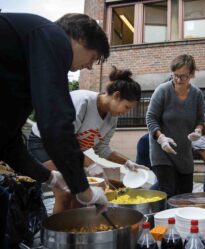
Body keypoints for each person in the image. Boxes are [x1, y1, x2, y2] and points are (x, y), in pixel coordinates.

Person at [0, 12, 110, 247]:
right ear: (78, 37)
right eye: (93, 57)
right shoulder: (51, 35)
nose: (89, 66)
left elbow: (9, 143)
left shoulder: (23, 70)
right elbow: (56, 125)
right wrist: (84, 190)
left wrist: (49, 176)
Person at [28, 67, 148, 213]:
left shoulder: (112, 118)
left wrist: (127, 162)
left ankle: (76, 231)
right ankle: (58, 234)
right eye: (127, 107)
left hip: (69, 153)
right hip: (45, 144)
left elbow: (102, 149)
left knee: (81, 195)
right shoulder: (83, 100)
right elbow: (64, 140)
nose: (126, 112)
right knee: (65, 193)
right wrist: (90, 165)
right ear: (116, 95)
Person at [146, 54, 205, 198]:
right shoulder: (163, 91)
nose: (178, 80)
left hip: (184, 151)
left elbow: (200, 119)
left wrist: (198, 130)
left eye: (183, 76)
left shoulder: (197, 94)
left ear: (191, 74)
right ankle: (158, 218)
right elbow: (150, 117)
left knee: (185, 194)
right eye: (175, 75)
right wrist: (161, 139)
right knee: (168, 190)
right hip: (162, 150)